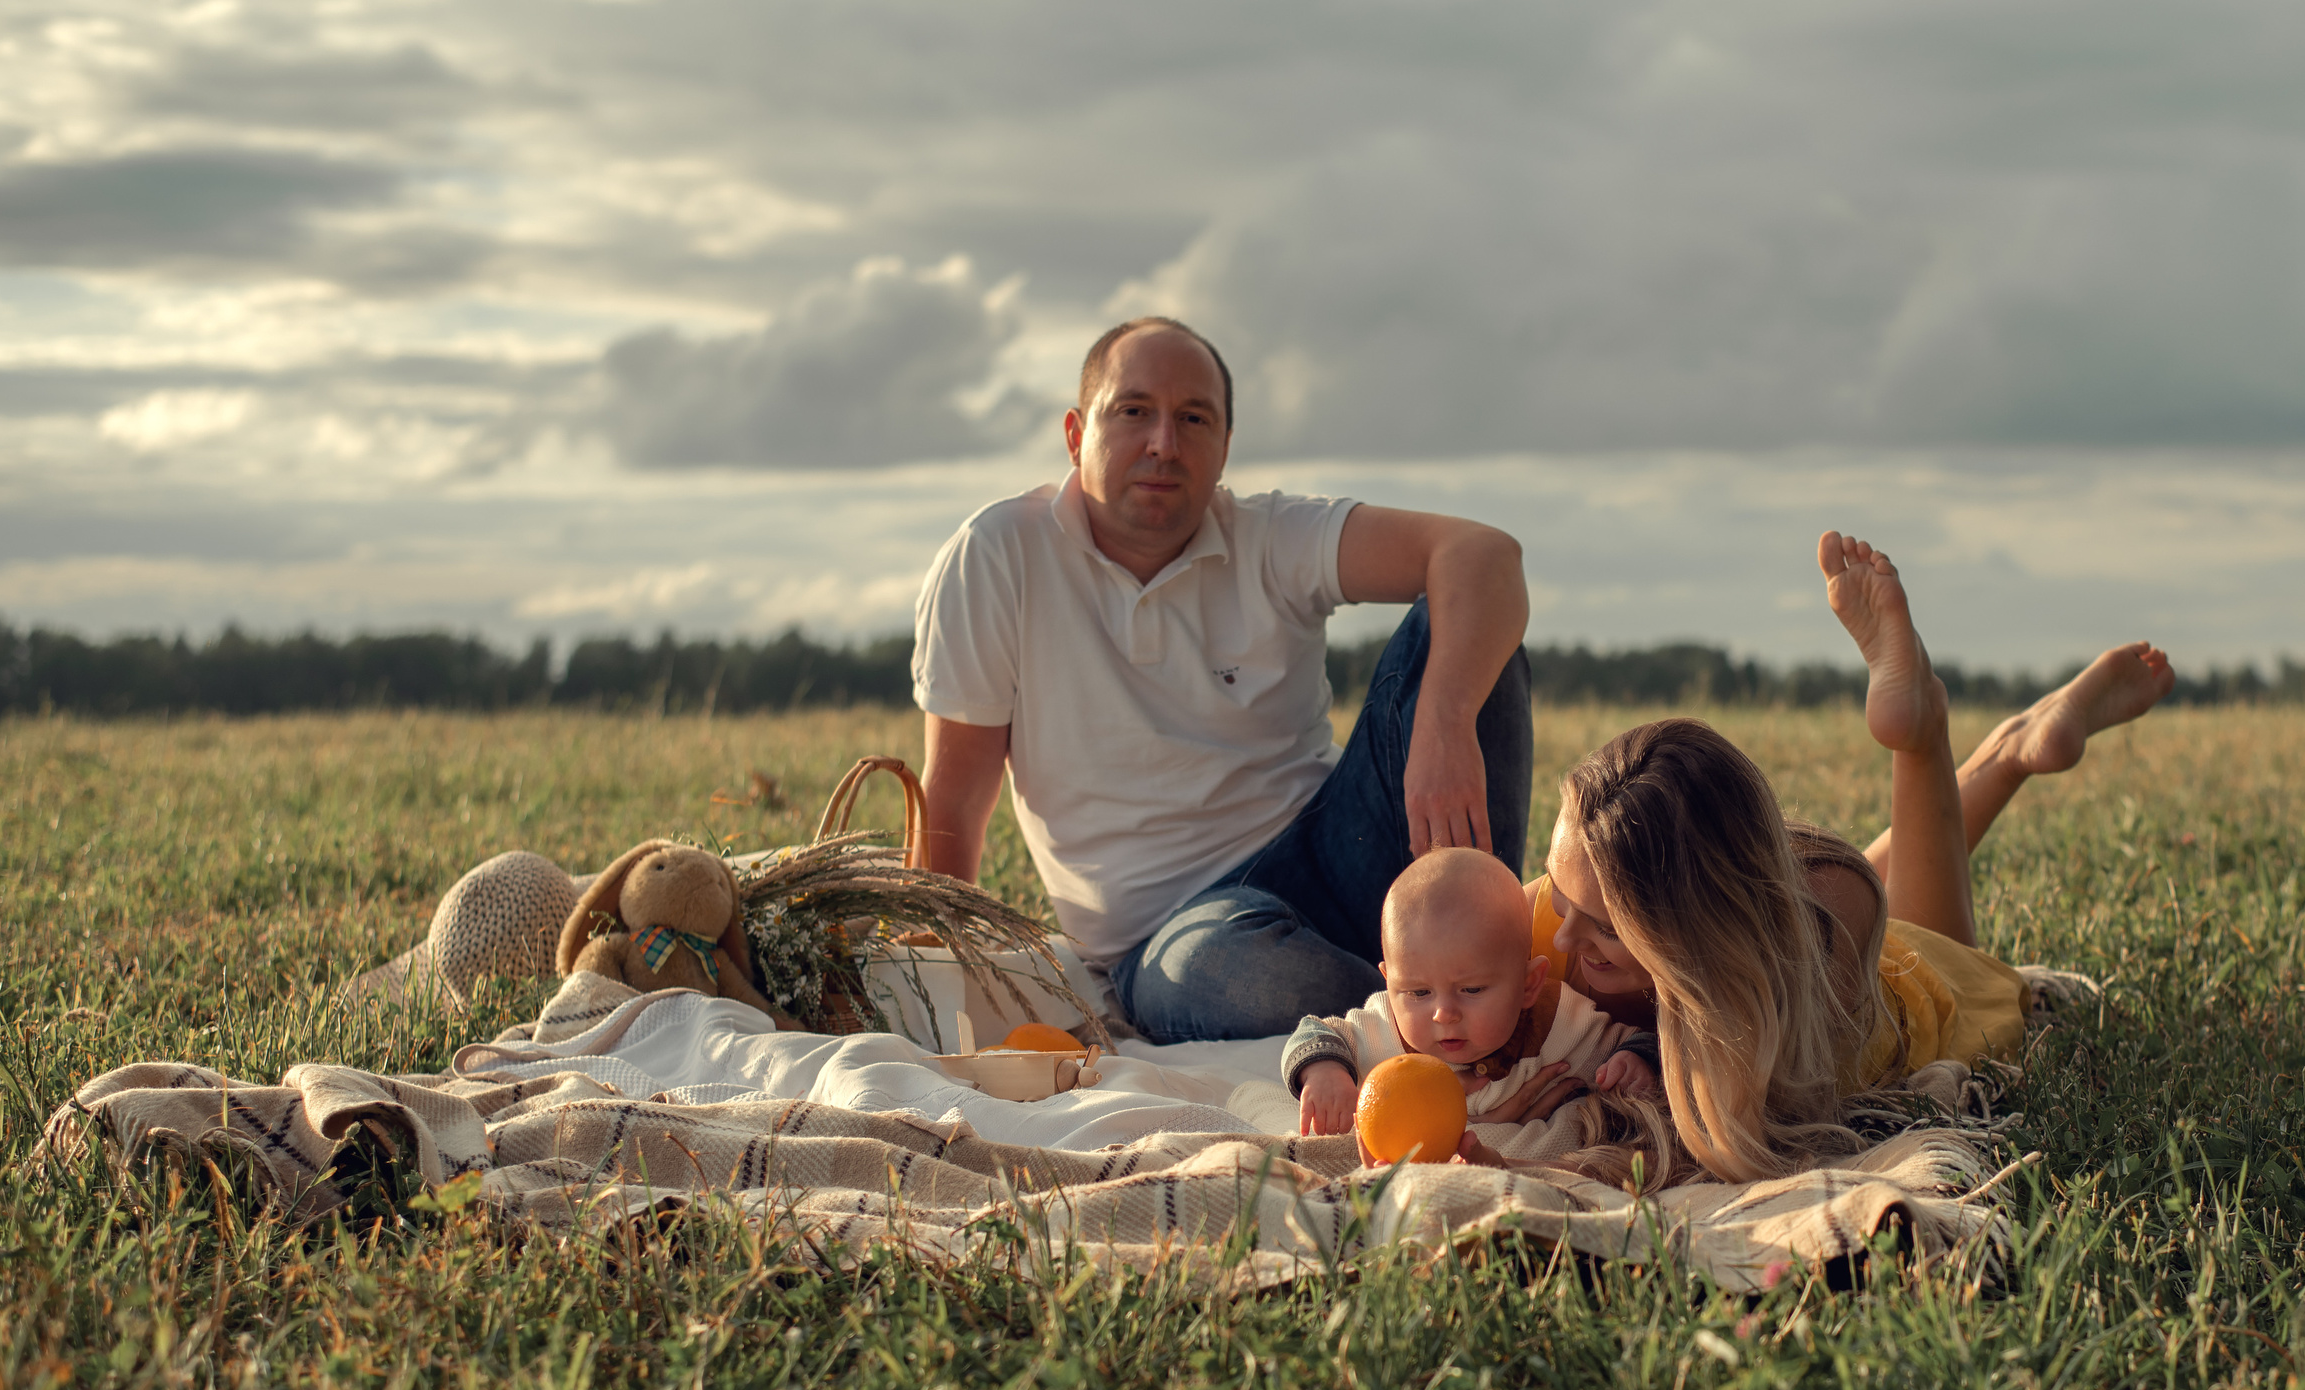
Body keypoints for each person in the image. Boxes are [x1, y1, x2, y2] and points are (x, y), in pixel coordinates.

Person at [910, 317, 1533, 1043]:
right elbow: (956, 794)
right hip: (1174, 934)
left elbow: (1484, 555)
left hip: (1337, 850)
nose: (1163, 443)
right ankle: (1463, 1007)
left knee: (1467, 636)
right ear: (1077, 434)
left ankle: (1475, 966)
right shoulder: (996, 555)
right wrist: (930, 980)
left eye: (1193, 418)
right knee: (1241, 978)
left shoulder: (1268, 535)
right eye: (1134, 411)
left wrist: (1445, 723)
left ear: (1224, 447)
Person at [1520, 532, 2176, 1186]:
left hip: (1900, 999)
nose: (1563, 935)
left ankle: (1951, 738)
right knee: (1829, 893)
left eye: (1604, 927)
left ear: (1691, 933)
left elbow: (1713, 1153)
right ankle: (1981, 742)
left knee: (1936, 942)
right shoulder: (1585, 905)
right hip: (1802, 915)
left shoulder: (1756, 1025)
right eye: (1557, 891)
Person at [1282, 848, 1658, 1135]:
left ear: (1529, 985)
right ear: (1390, 983)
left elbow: (1636, 1044)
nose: (1443, 1013)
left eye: (1471, 989)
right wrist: (1324, 1071)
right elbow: (1314, 1033)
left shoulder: (1557, 1022)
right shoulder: (1382, 1029)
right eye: (1418, 993)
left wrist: (1635, 1060)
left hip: (1531, 1169)